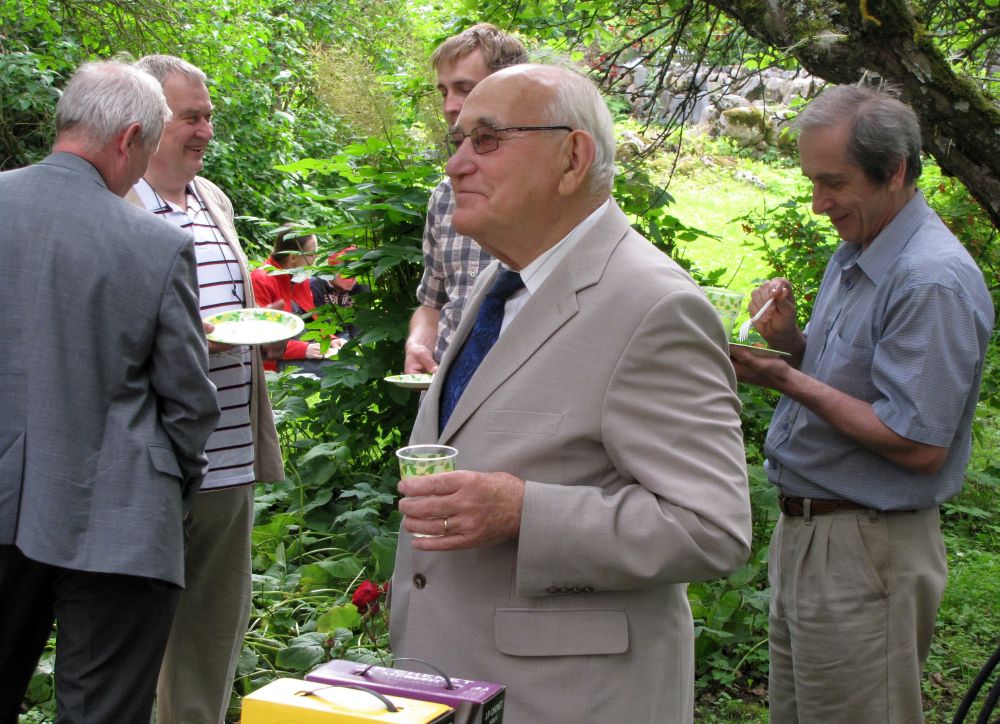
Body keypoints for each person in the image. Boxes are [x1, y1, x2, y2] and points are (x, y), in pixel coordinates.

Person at [388, 63, 752, 722]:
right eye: (458, 141)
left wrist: (524, 512)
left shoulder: (654, 306)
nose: (456, 165)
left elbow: (712, 528)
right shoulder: (503, 280)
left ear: (572, 159)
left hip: (568, 701)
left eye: (486, 140)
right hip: (458, 682)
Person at [729, 84, 994, 723]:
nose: (818, 204)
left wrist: (786, 380)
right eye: (812, 182)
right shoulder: (861, 251)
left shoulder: (930, 279)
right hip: (814, 539)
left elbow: (919, 444)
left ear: (894, 171)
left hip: (867, 549)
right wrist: (792, 345)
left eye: (834, 183)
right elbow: (853, 382)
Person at [0, 61, 220, 724]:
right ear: (128, 139)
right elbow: (189, 401)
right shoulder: (154, 245)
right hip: (121, 518)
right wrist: (176, 488)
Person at [127, 54, 284, 724]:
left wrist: (256, 332)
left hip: (229, 460)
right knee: (130, 638)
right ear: (146, 121)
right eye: (191, 117)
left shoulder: (213, 198)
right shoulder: (115, 203)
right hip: (149, 464)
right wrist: (194, 338)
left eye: (208, 116)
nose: (206, 131)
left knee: (213, 633)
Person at [403, 23, 528, 374]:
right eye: (444, 92)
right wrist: (418, 344)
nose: (450, 107)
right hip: (443, 391)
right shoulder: (446, 195)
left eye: (464, 89)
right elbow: (432, 304)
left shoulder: (548, 194)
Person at [250, 225, 348, 372]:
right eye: (312, 254)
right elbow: (262, 339)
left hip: (307, 347)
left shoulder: (300, 276)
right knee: (345, 369)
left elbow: (312, 320)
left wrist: (331, 339)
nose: (315, 259)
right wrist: (304, 349)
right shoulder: (260, 279)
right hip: (278, 358)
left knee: (353, 361)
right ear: (293, 257)